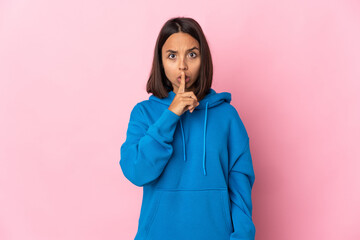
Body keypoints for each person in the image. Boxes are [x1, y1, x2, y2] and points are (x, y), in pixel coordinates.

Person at [119, 17, 256, 240]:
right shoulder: (144, 114)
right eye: (172, 56)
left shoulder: (227, 116)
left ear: (203, 60)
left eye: (192, 54)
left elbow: (240, 186)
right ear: (161, 63)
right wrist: (171, 115)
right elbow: (136, 172)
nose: (182, 65)